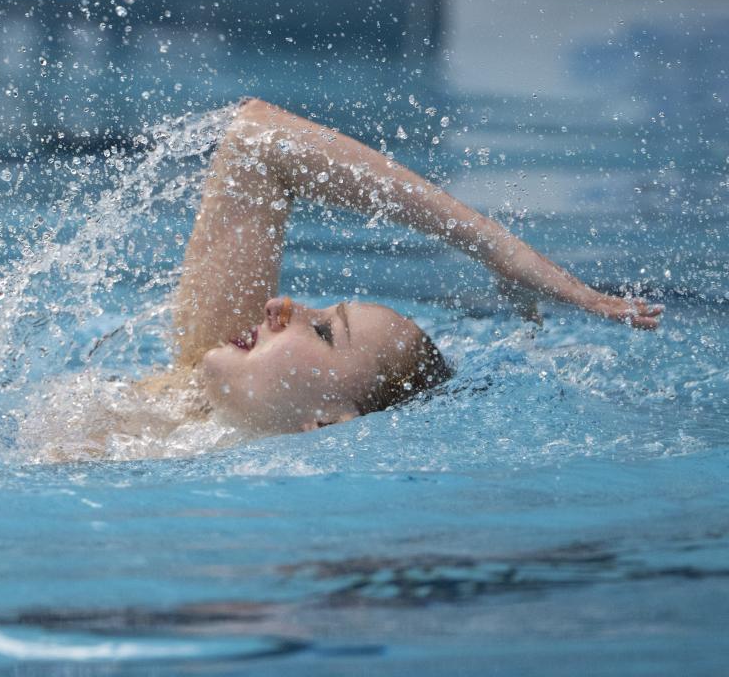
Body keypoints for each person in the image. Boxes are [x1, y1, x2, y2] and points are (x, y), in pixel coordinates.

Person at [132, 98, 663, 436]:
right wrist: (498, 250)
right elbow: (256, 141)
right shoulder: (192, 387)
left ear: (327, 424)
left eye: (322, 331)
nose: (279, 305)